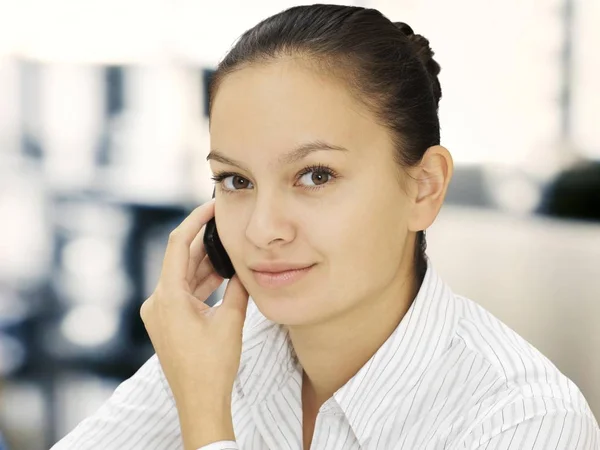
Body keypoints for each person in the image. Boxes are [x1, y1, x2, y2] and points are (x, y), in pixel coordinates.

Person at [51, 4, 599, 450]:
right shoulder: (226, 351)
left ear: (424, 187)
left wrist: (204, 419)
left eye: (316, 175)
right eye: (236, 180)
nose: (264, 229)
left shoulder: (527, 423)